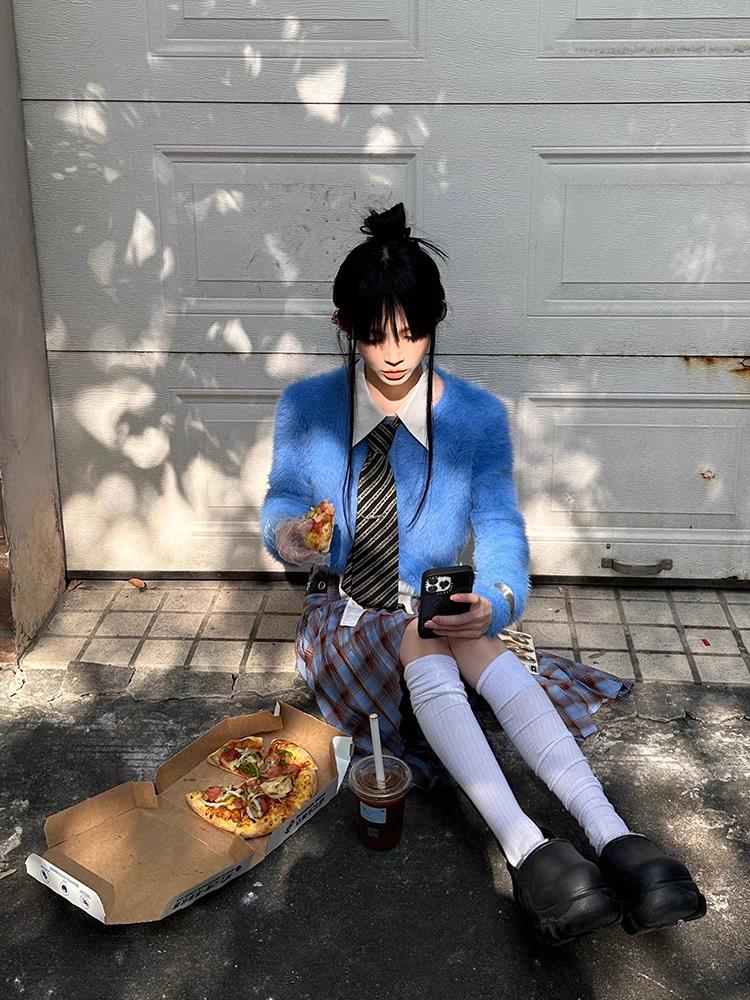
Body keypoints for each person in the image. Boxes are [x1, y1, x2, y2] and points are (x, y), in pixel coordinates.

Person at [260, 202, 706, 946]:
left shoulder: (476, 416)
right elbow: (282, 499)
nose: (394, 353)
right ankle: (528, 844)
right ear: (344, 327)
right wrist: (289, 536)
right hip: (345, 617)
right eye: (374, 335)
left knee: (454, 625)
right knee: (427, 633)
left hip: (433, 610)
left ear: (437, 321)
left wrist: (496, 601)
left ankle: (614, 838)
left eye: (411, 332)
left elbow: (499, 526)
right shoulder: (306, 408)